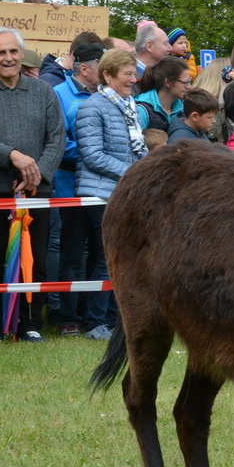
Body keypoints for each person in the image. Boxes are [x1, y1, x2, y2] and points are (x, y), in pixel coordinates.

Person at [0, 27, 67, 343]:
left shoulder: (44, 91)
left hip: (37, 190)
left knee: (33, 259)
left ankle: (30, 323)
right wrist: (14, 156)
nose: (8, 58)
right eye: (1, 53)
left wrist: (38, 171)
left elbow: (57, 137)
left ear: (21, 54)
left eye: (13, 51)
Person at [73, 48, 146, 340]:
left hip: (122, 193)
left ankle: (115, 319)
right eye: (127, 73)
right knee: (106, 259)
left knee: (122, 259)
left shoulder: (128, 105)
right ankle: (95, 323)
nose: (133, 79)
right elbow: (92, 156)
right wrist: (135, 173)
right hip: (99, 195)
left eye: (134, 73)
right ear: (107, 75)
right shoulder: (92, 106)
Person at [52, 37, 105, 337]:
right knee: (72, 251)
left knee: (100, 252)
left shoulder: (105, 95)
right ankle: (68, 316)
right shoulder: (59, 94)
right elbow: (60, 141)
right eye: (102, 68)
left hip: (100, 186)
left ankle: (95, 316)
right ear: (84, 69)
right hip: (68, 182)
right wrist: (95, 152)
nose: (106, 74)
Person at [134, 57, 191, 148]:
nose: (189, 87)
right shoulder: (141, 110)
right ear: (167, 82)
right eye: (185, 82)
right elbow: (136, 147)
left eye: (189, 81)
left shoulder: (184, 107)